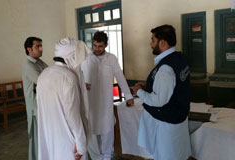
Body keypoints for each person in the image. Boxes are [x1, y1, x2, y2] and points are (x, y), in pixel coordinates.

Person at [131, 24, 191, 160]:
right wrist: (148, 85)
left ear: (162, 43)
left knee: (166, 156)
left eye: (153, 40)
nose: (150, 44)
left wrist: (139, 91)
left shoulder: (165, 68)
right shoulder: (180, 59)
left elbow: (159, 101)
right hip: (178, 119)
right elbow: (174, 84)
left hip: (166, 126)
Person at [81, 31, 134, 160]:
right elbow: (77, 75)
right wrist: (82, 84)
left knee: (107, 131)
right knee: (92, 133)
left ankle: (106, 157)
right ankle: (96, 157)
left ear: (106, 45)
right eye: (94, 45)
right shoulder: (86, 58)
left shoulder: (111, 58)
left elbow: (120, 77)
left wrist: (128, 95)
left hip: (106, 104)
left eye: (100, 46)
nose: (96, 49)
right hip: (90, 103)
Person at [36, 37, 91, 160]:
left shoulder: (44, 74)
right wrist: (81, 144)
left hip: (49, 135)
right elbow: (73, 116)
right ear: (72, 58)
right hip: (68, 140)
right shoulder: (68, 78)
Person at [22, 37, 48, 160]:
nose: (41, 48)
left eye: (41, 46)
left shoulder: (40, 62)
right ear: (29, 49)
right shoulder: (28, 66)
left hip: (44, 106)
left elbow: (51, 74)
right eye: (38, 46)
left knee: (45, 137)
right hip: (35, 109)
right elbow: (42, 82)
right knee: (38, 139)